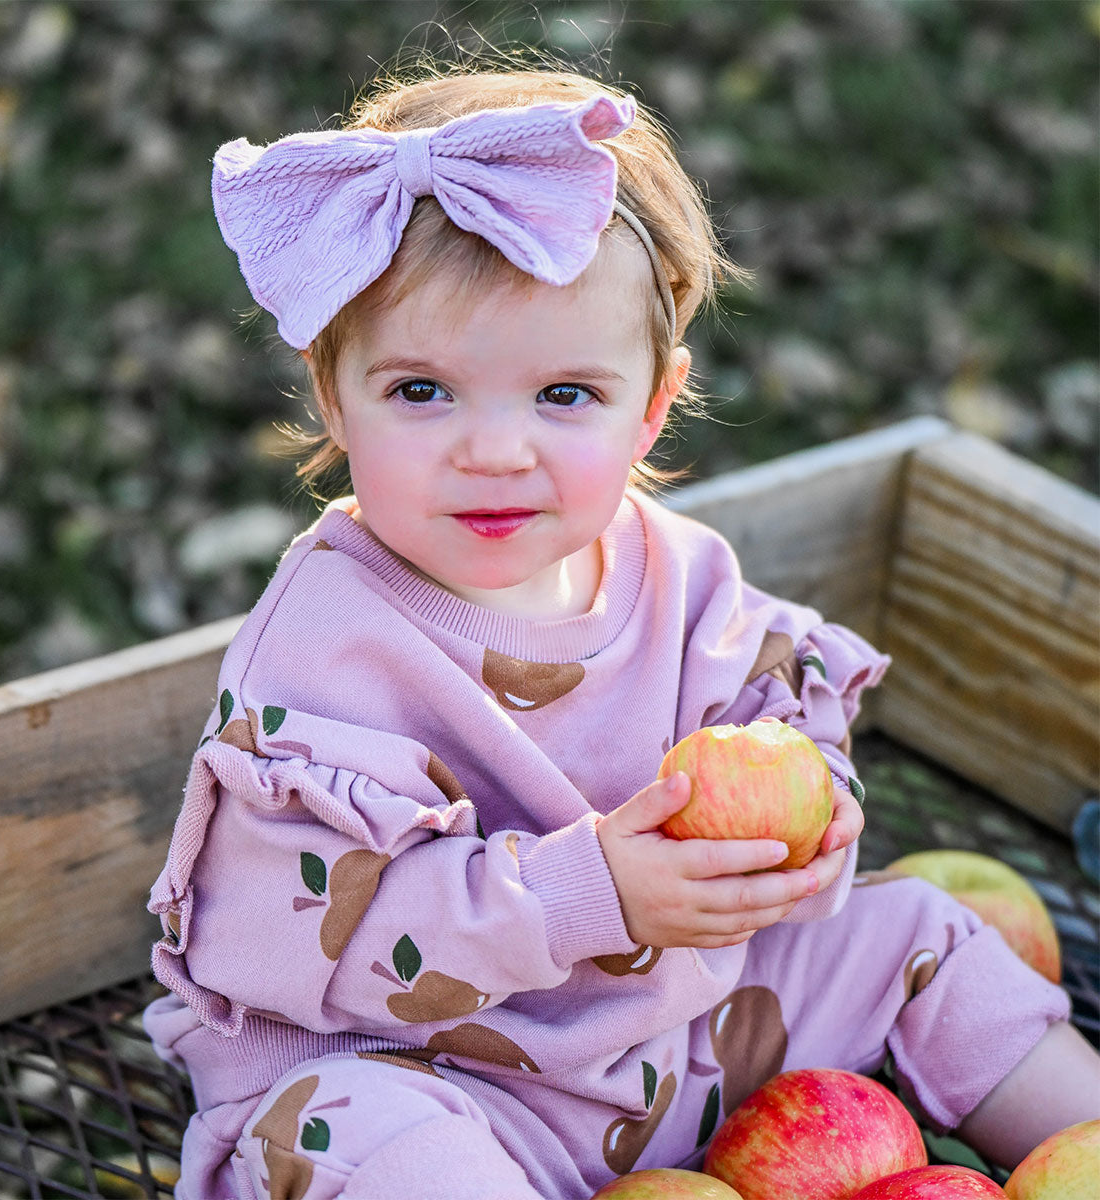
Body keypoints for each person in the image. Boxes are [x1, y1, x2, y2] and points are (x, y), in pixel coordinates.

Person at [144, 64, 1098, 1200]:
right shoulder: (323, 646)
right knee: (348, 1135)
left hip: (677, 1039)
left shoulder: (678, 573)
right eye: (420, 392)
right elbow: (311, 941)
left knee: (918, 937)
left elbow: (777, 716)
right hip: (433, 1075)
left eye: (562, 397)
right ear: (333, 395)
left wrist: (809, 823)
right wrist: (586, 893)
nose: (494, 450)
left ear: (652, 402)